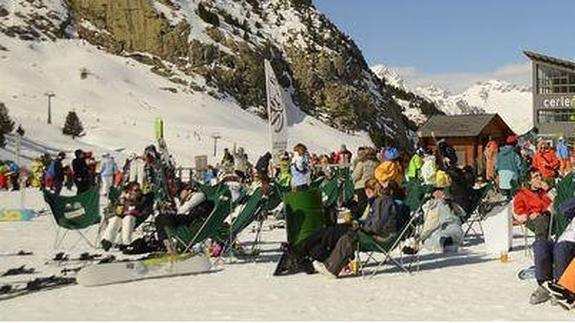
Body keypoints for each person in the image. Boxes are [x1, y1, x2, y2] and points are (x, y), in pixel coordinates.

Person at [296, 180, 409, 277]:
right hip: (384, 236)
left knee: (345, 236)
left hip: (379, 238)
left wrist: (360, 226)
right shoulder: (391, 202)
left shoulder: (383, 201)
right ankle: (318, 258)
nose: (380, 184)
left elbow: (375, 226)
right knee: (335, 233)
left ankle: (329, 266)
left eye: (382, 182)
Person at [529, 197, 575, 305]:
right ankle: (544, 285)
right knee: (540, 245)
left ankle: (561, 287)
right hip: (562, 238)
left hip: (571, 243)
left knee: (562, 248)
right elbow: (563, 208)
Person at [404, 174, 465, 254]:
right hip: (446, 230)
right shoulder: (434, 204)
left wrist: (451, 203)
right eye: (437, 190)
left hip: (449, 228)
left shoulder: (442, 203)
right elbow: (430, 225)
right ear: (432, 194)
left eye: (441, 190)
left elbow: (462, 214)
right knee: (433, 236)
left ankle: (446, 242)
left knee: (434, 237)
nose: (440, 192)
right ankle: (445, 243)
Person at [154, 184, 215, 252]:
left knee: (163, 218)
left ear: (189, 190)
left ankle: (169, 243)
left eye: (181, 192)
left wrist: (185, 202)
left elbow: (184, 209)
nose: (180, 195)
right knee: (159, 218)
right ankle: (166, 243)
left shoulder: (199, 195)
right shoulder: (188, 200)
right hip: (188, 219)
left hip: (192, 220)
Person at [101, 182, 146, 251]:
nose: (133, 192)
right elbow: (118, 212)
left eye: (136, 190)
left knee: (128, 218)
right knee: (116, 219)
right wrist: (121, 203)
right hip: (120, 217)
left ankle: (126, 242)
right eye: (131, 190)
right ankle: (107, 241)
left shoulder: (142, 199)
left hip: (133, 218)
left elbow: (143, 211)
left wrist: (134, 202)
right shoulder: (122, 199)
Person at [513, 169, 553, 241]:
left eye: (540, 175)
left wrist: (548, 189)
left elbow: (557, 200)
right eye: (536, 177)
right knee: (541, 220)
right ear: (530, 181)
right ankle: (541, 245)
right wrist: (529, 214)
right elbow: (518, 210)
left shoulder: (544, 192)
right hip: (532, 219)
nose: (540, 178)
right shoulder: (522, 194)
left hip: (548, 216)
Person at [351, 147, 379, 218]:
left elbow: (355, 176)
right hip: (372, 186)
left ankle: (359, 219)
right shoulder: (377, 163)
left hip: (361, 186)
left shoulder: (362, 163)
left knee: (361, 205)